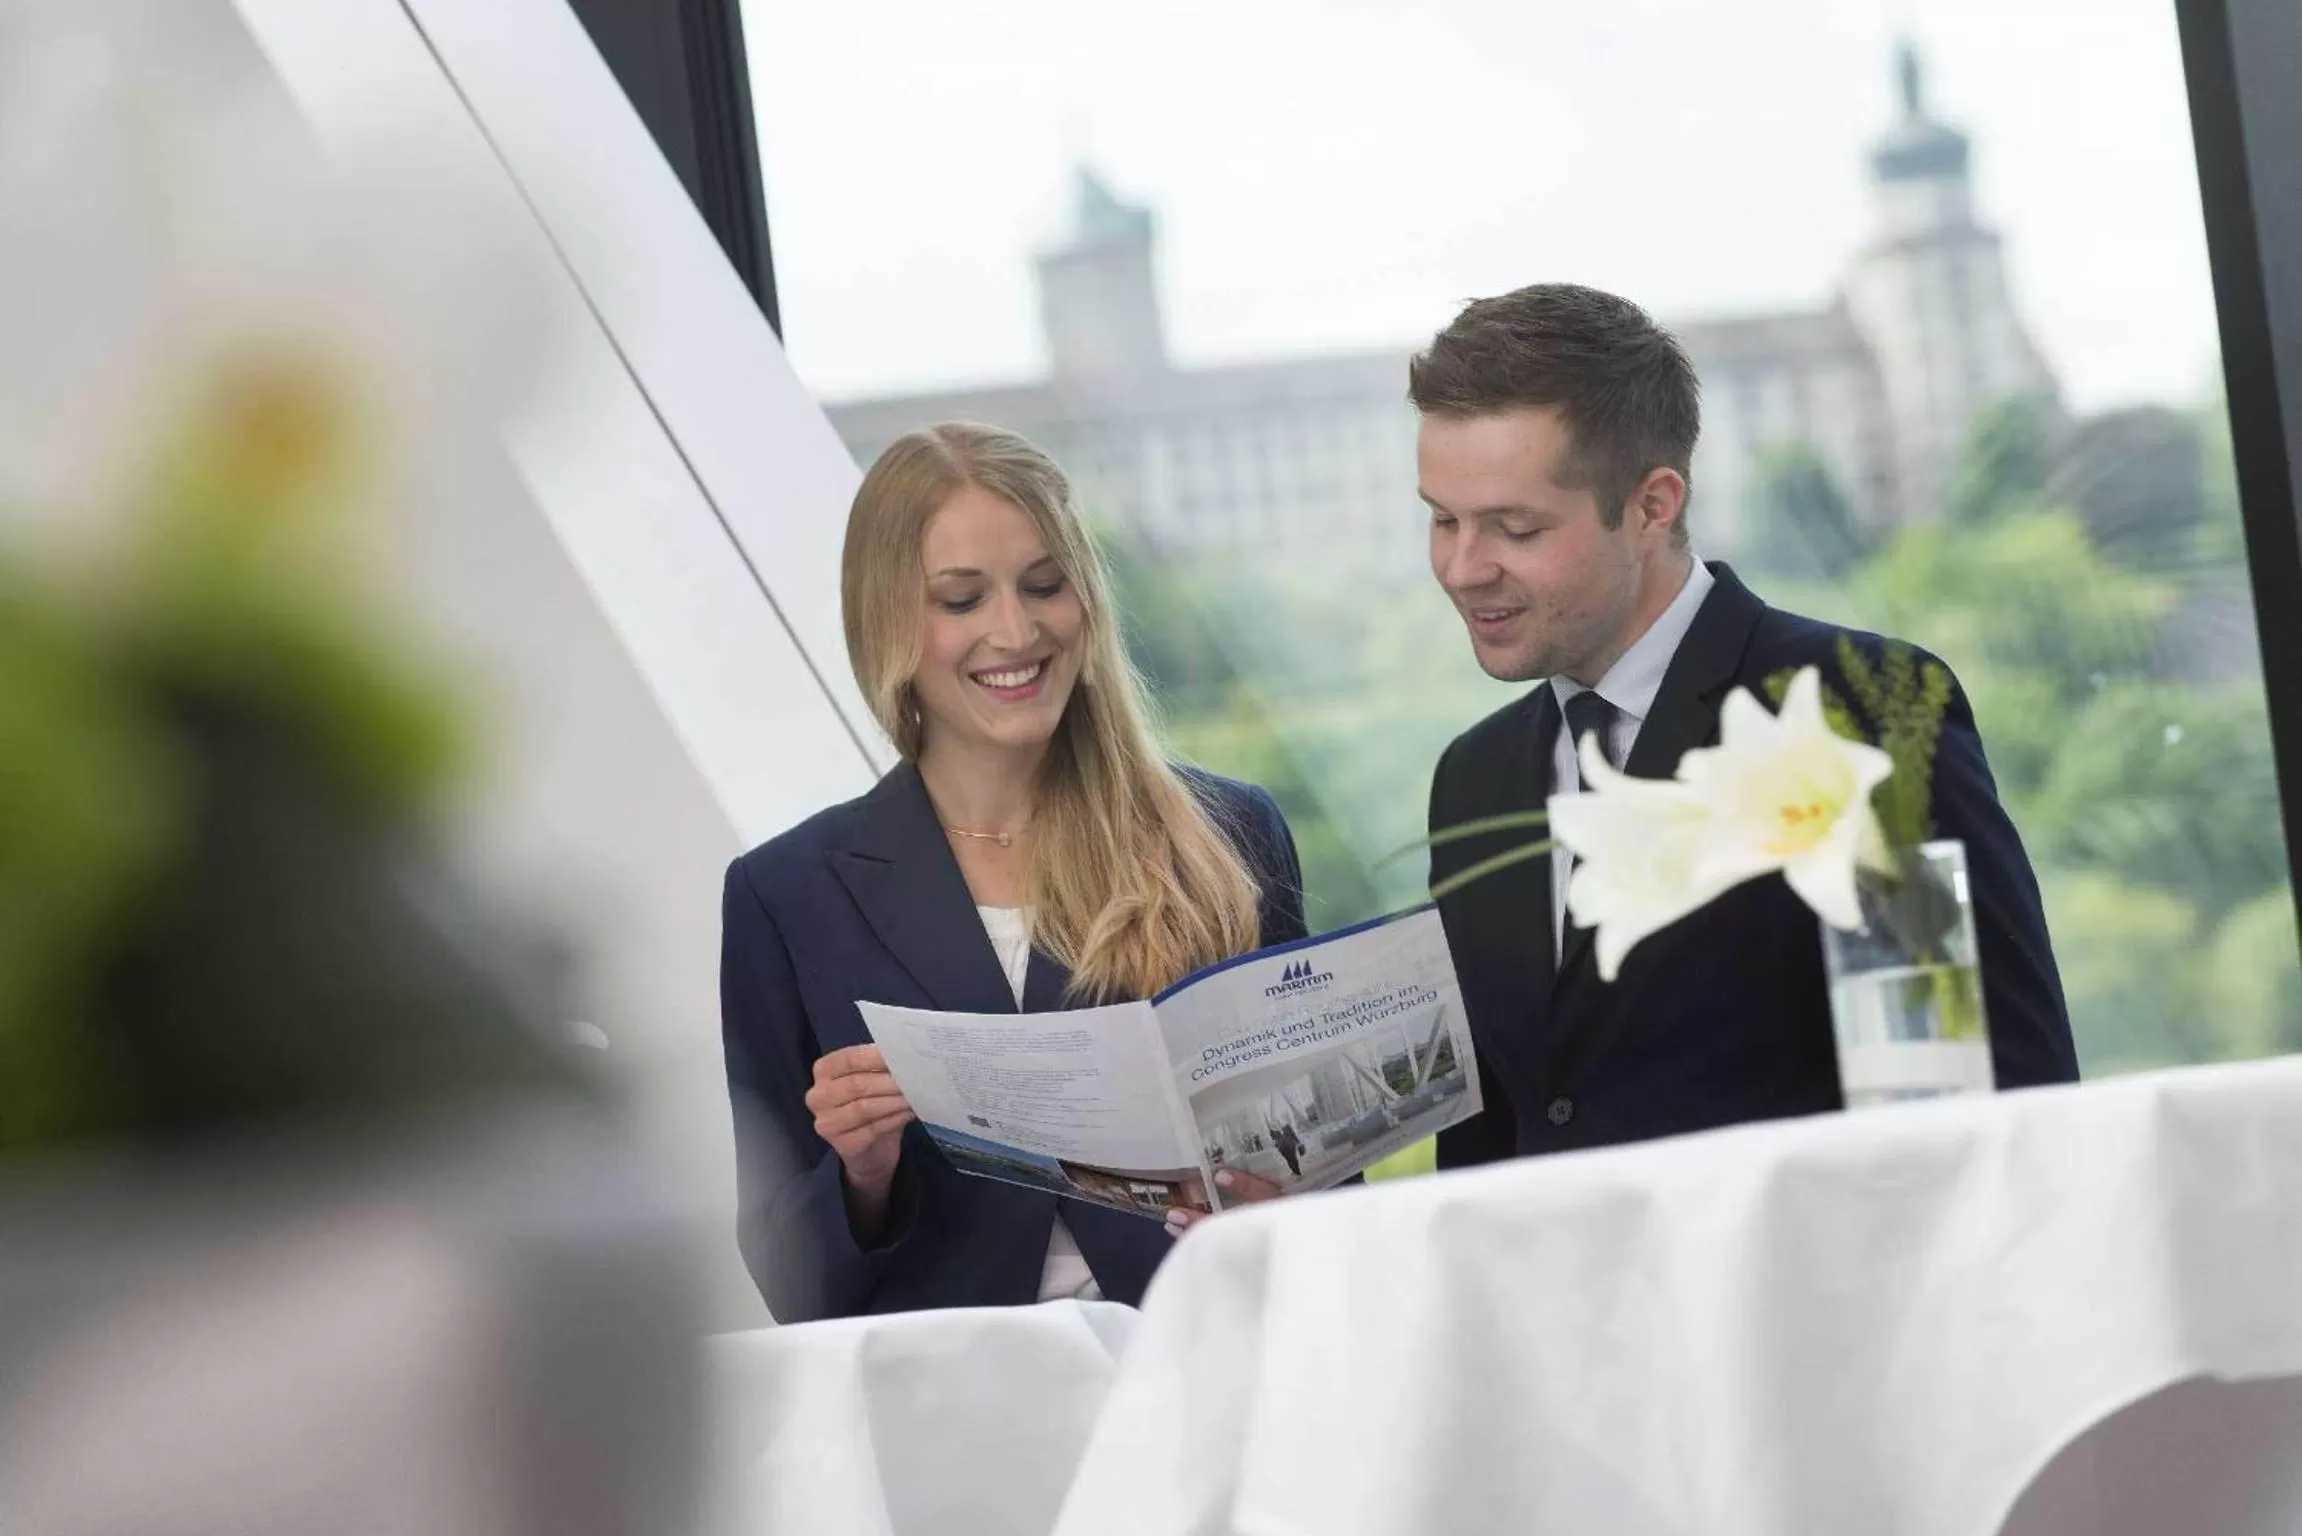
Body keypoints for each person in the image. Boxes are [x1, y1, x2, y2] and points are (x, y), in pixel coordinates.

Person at [1414, 283, 2079, 1170]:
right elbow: (1487, 1147)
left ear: (1652, 506)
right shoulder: (1474, 777)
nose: (1462, 569)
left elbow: (1977, 1096)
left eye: (1514, 529)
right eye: (1442, 519)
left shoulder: (1864, 715)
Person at [719, 422, 1307, 1322]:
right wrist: (862, 1174)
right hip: (952, 1387)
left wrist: (1280, 1203)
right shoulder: (787, 895)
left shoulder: (1228, 836)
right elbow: (785, 1275)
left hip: (1201, 1354)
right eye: (961, 600)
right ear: (887, 622)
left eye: (1044, 585)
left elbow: (1321, 1177)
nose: (1015, 630)